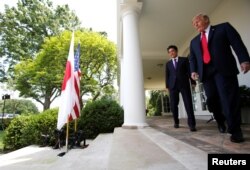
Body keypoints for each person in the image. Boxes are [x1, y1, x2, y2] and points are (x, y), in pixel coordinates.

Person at [189, 14, 250, 143]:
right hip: (206, 74)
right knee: (212, 100)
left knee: (228, 99)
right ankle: (220, 120)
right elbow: (193, 58)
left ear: (206, 20)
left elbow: (237, 42)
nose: (195, 24)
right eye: (193, 23)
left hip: (224, 70)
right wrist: (193, 70)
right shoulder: (194, 41)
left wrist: (244, 59)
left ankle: (235, 130)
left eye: (197, 21)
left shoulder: (223, 28)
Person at [165, 45, 197, 132]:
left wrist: (193, 82)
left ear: (176, 51)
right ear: (169, 53)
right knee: (173, 105)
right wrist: (167, 86)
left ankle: (192, 124)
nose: (171, 53)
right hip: (173, 86)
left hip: (184, 84)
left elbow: (190, 71)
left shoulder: (184, 60)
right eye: (170, 52)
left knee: (188, 103)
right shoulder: (168, 64)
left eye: (173, 51)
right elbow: (167, 76)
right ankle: (176, 122)